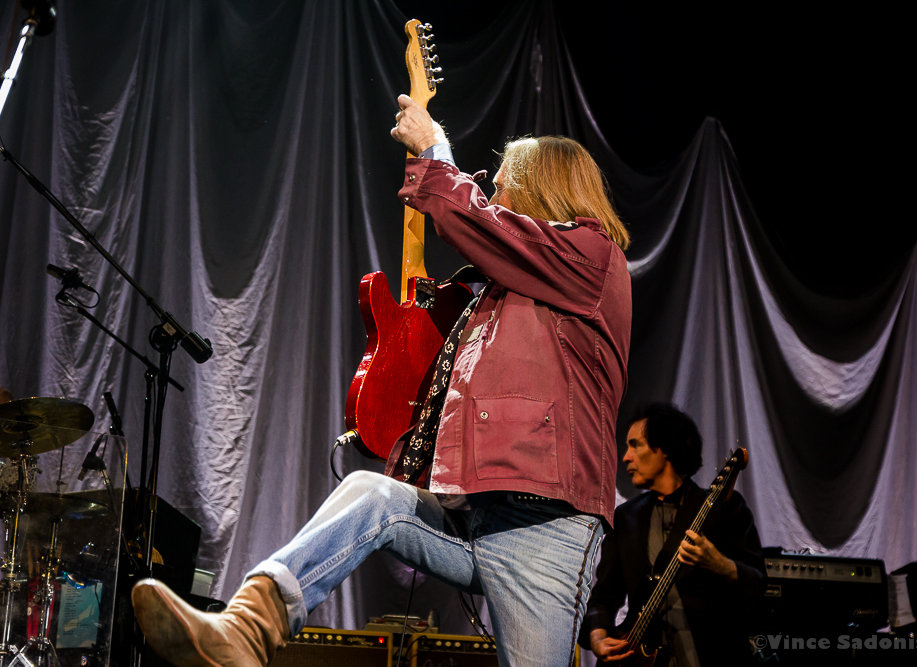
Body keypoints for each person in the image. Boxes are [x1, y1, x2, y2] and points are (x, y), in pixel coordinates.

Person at [132, 93, 632, 667]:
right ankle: (247, 628)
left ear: (542, 191)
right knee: (372, 495)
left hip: (546, 528)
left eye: (502, 187)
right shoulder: (503, 294)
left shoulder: (592, 259)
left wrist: (434, 149)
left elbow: (479, 223)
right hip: (475, 512)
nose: (494, 198)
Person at [579, 404, 766, 666]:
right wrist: (598, 637)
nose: (626, 457)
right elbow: (604, 595)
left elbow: (758, 583)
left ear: (665, 448)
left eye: (635, 445)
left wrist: (720, 565)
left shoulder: (725, 507)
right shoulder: (625, 517)